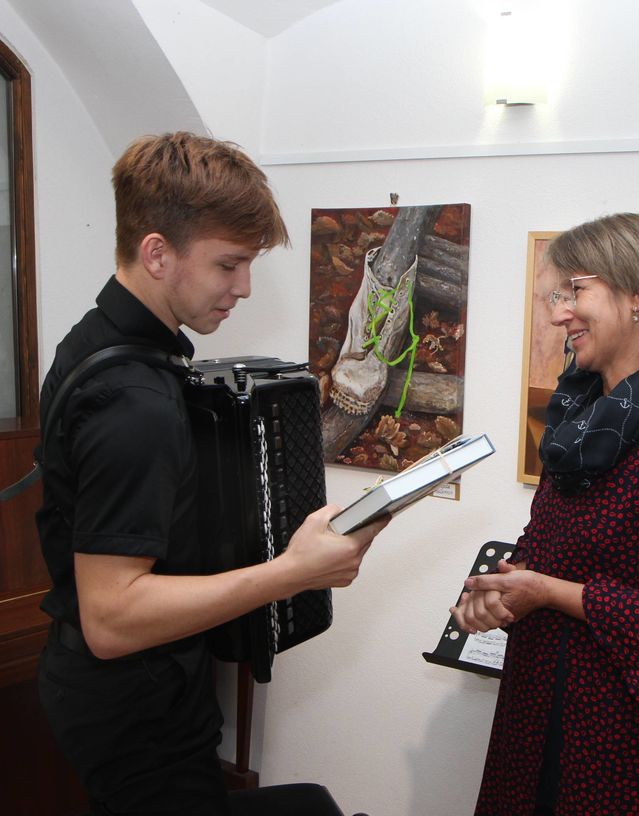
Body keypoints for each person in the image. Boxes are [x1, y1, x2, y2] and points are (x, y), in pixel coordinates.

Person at [35, 132, 388, 816]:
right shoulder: (132, 399)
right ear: (157, 253)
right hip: (133, 707)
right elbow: (111, 618)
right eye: (229, 264)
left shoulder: (100, 340)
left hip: (125, 688)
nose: (244, 287)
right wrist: (292, 572)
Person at [451, 213, 639, 815]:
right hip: (534, 708)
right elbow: (549, 547)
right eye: (557, 296)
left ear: (638, 296)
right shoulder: (579, 418)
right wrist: (502, 588)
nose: (560, 314)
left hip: (615, 734)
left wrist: (548, 591)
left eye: (576, 291)